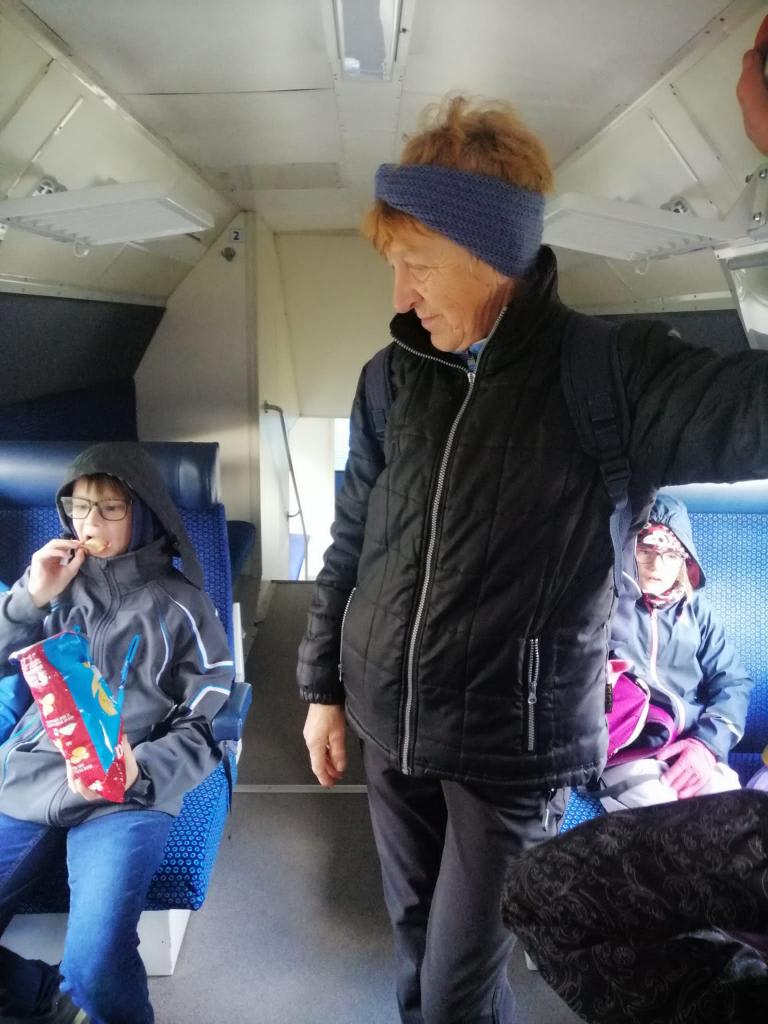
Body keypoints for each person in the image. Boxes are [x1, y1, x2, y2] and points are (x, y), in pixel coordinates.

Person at [297, 41, 768, 1024]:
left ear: (490, 256)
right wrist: (323, 691)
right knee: (414, 948)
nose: (400, 297)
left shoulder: (611, 374)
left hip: (514, 746)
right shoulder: (391, 378)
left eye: (417, 266)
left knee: (457, 989)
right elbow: (350, 544)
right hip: (389, 719)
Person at [0, 443, 234, 1024]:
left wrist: (145, 770)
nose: (91, 524)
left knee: (97, 970)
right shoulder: (53, 583)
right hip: (37, 770)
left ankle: (80, 997)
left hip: (127, 789)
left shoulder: (183, 604)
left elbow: (209, 719)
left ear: (143, 512)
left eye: (110, 509)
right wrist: (30, 599)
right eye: (79, 508)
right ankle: (39, 996)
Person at [600, 493, 749, 811]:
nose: (657, 566)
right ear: (627, 549)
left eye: (670, 554)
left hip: (690, 740)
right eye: (645, 550)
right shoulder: (605, 607)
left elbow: (732, 682)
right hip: (627, 747)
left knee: (732, 809)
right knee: (664, 817)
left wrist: (706, 744)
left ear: (685, 560)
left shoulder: (696, 612)